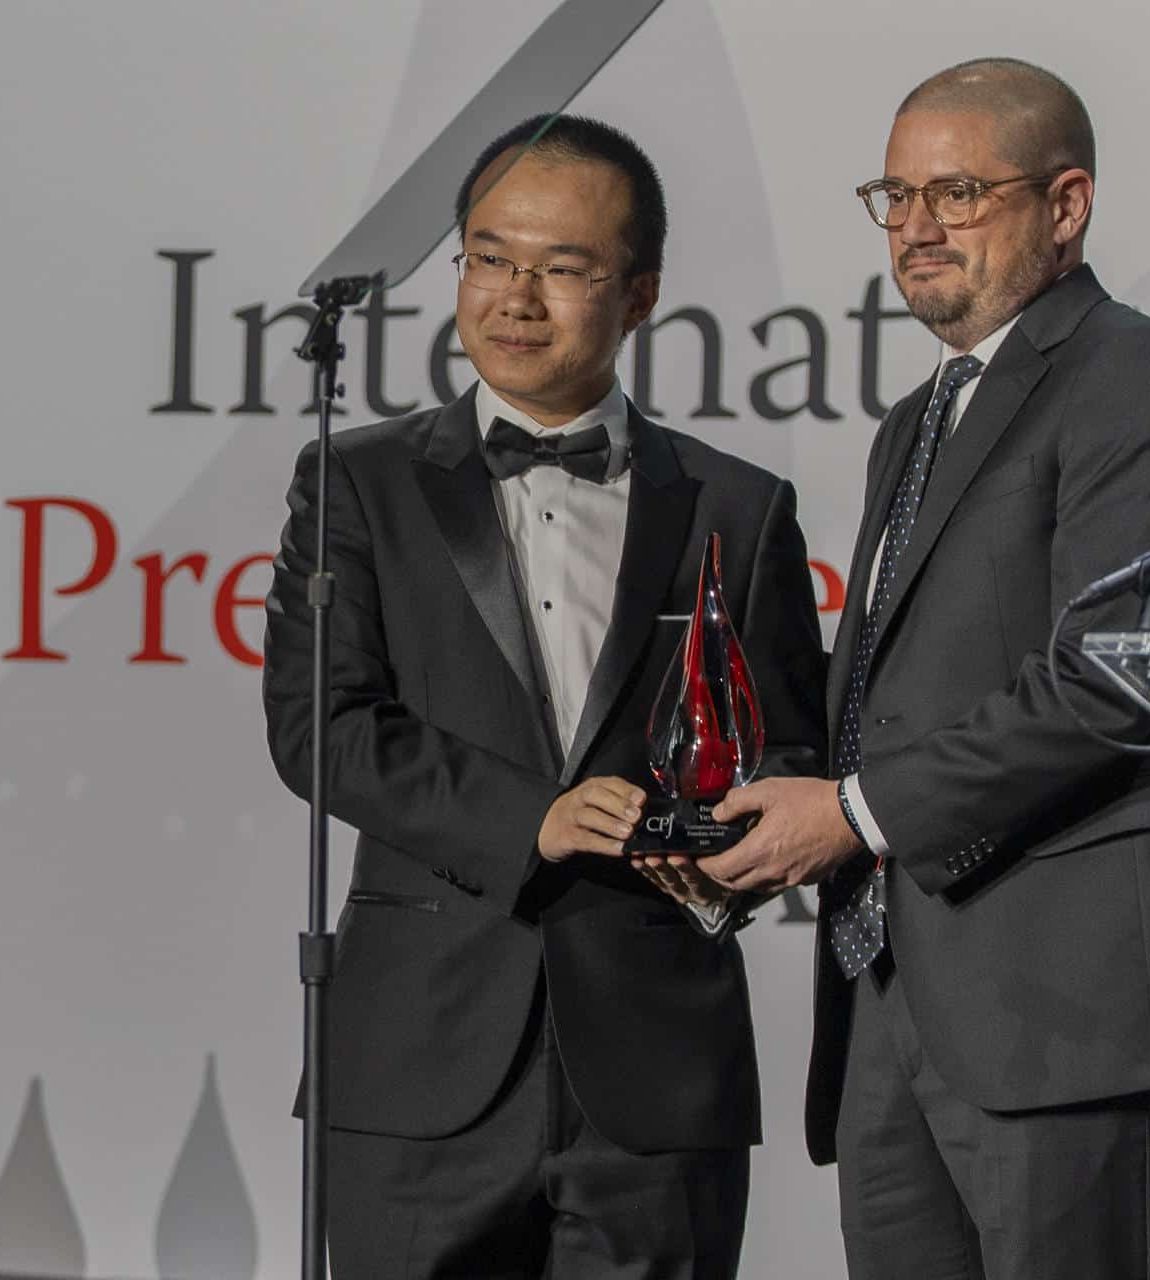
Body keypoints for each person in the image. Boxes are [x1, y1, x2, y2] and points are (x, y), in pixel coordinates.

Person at [699, 59, 1150, 1279]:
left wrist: (848, 812)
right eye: (893, 197)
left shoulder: (1136, 378)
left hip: (1063, 1010)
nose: (914, 230)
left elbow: (1118, 682)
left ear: (1067, 205)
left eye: (955, 193)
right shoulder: (923, 413)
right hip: (894, 1000)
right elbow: (891, 690)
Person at [262, 113, 827, 1279]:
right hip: (417, 1065)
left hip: (659, 1068)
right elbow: (322, 723)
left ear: (639, 293)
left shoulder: (739, 506)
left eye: (562, 268)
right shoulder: (357, 481)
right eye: (487, 257)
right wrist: (536, 814)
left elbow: (787, 748)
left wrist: (737, 833)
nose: (514, 297)